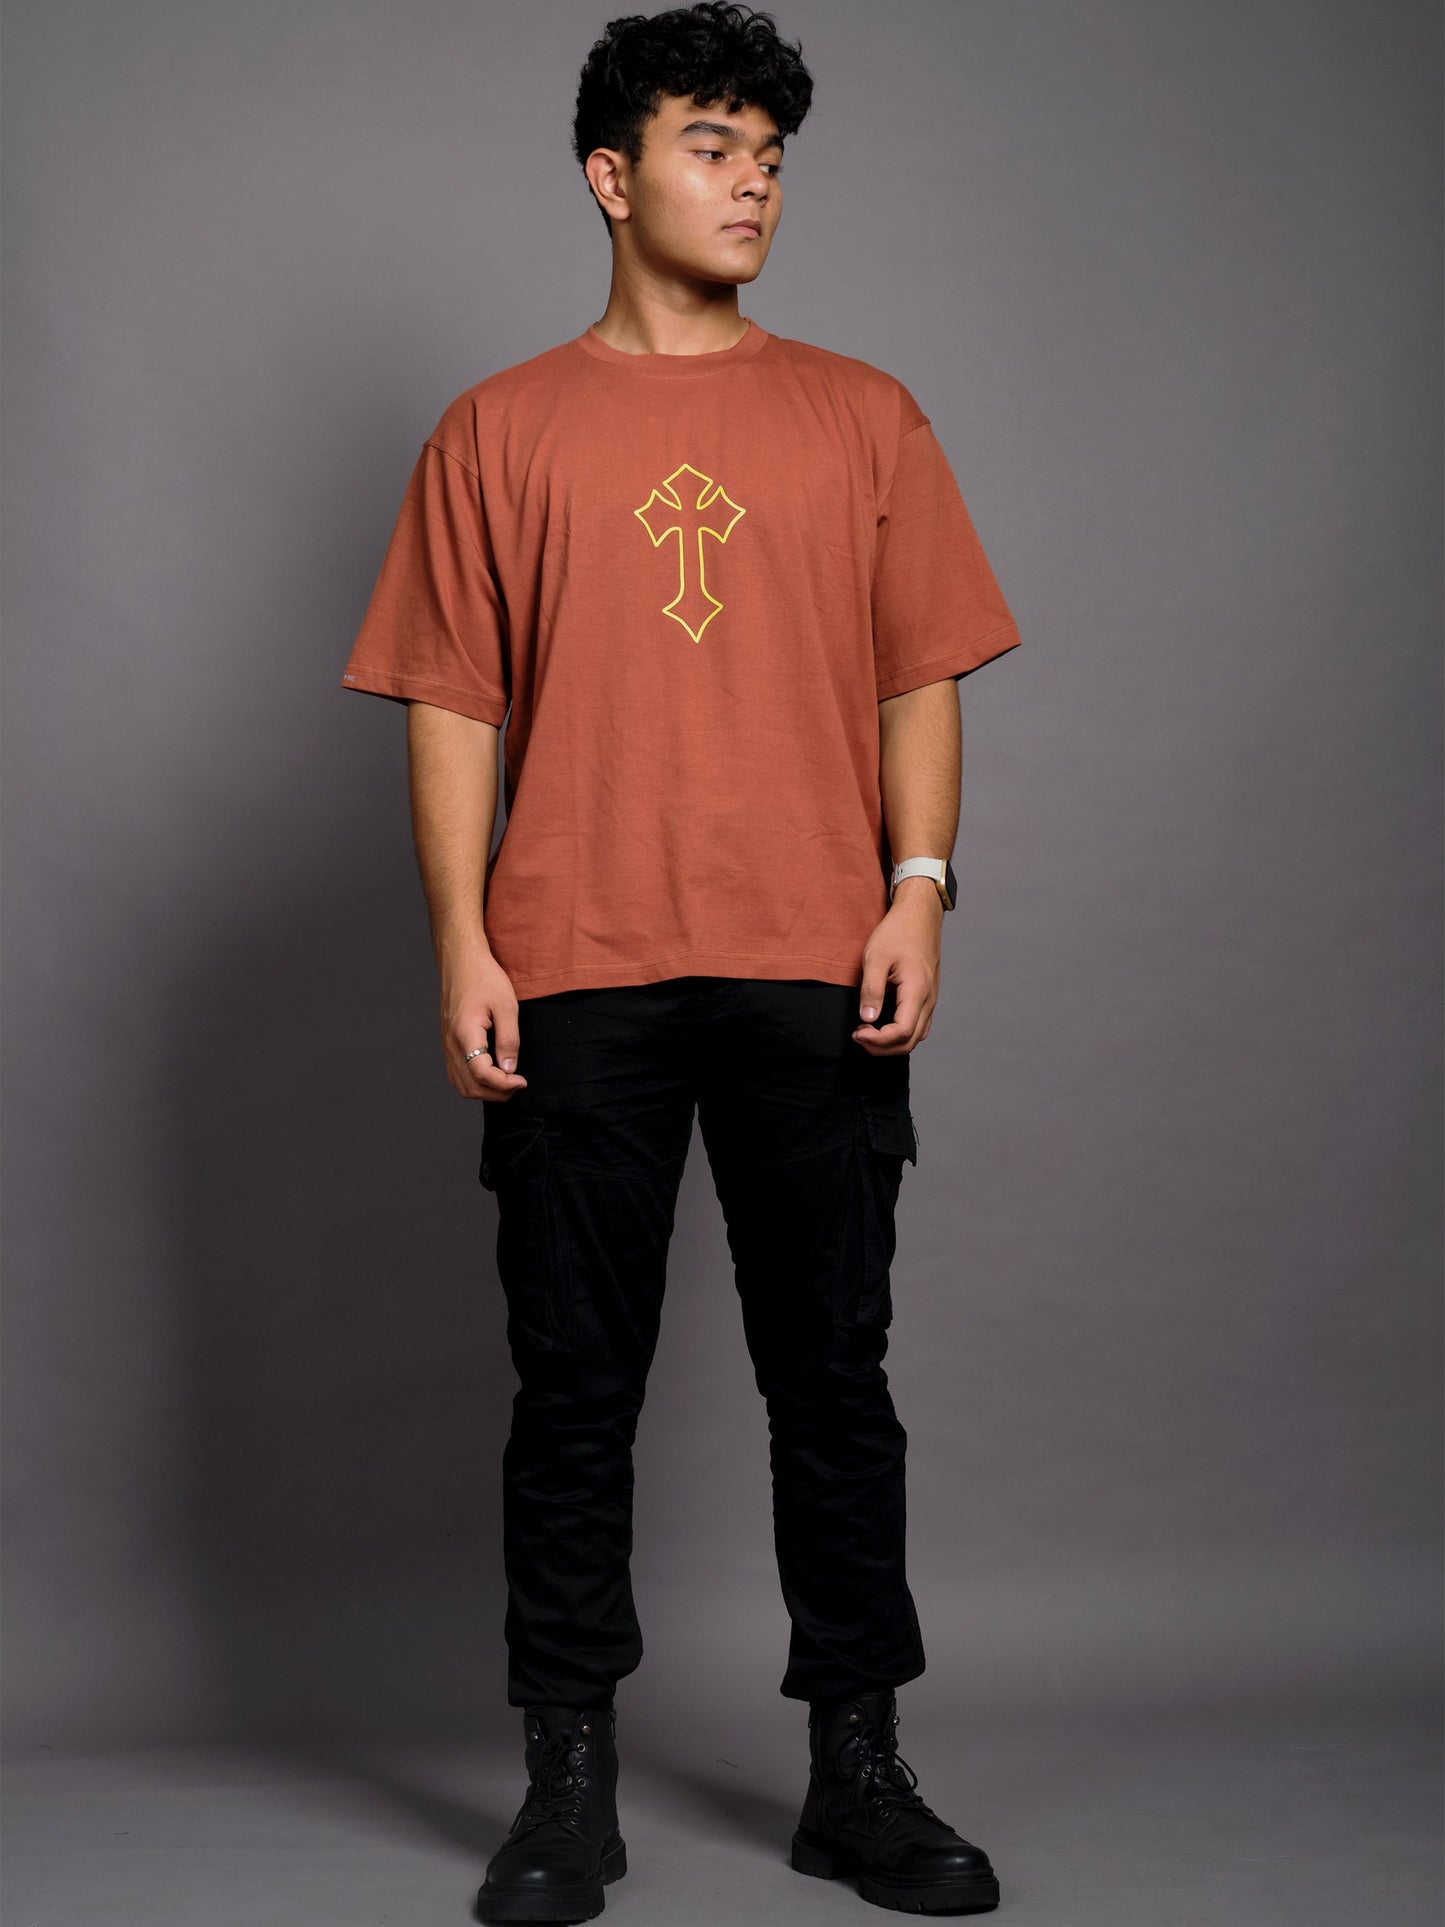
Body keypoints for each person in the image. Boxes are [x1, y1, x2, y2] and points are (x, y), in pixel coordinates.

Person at [340, 4, 1021, 1916]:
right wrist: (462, 940)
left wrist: (918, 886)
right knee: (572, 1393)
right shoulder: (496, 429)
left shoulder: (864, 414)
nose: (753, 186)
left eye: (771, 157)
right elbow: (452, 702)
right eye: (713, 147)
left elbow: (917, 671)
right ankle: (567, 1785)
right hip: (576, 964)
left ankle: (857, 1773)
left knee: (835, 1383)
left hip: (816, 959)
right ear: (610, 175)